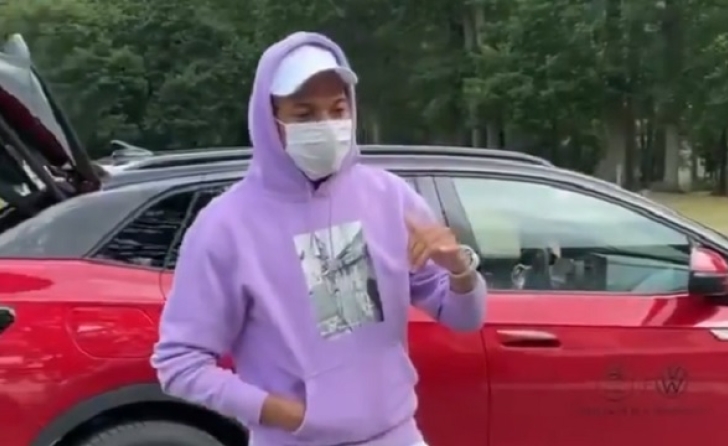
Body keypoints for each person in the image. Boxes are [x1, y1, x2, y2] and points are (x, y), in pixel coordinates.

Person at [151, 31, 487, 446]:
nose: (325, 125)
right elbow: (179, 363)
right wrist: (285, 415)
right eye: (304, 113)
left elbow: (465, 318)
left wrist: (460, 271)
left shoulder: (389, 197)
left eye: (337, 109)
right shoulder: (224, 226)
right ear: (270, 118)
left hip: (395, 434)